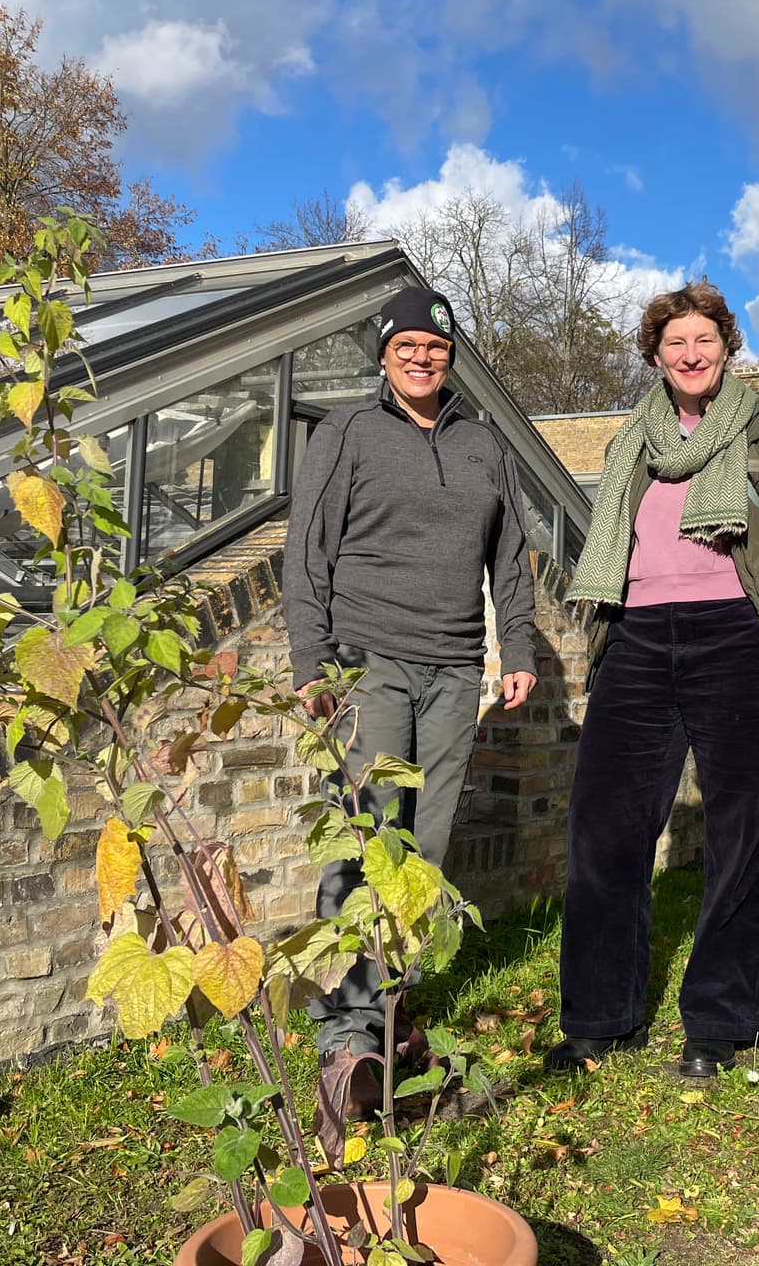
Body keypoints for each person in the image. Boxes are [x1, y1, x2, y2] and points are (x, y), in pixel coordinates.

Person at [283, 283, 539, 1151]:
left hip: (457, 670)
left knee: (425, 854)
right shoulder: (347, 435)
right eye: (406, 347)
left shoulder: (483, 445)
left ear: (451, 355)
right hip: (371, 663)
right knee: (368, 838)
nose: (422, 357)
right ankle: (347, 1042)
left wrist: (522, 652)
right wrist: (312, 666)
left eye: (435, 345)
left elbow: (511, 558)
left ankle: (390, 1010)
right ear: (384, 358)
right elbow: (306, 553)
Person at [545, 282, 759, 1080]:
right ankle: (600, 1016)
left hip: (734, 638)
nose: (691, 354)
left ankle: (720, 1022)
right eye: (675, 343)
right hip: (634, 638)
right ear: (655, 355)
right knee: (605, 830)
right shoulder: (632, 437)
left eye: (704, 340)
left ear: (727, 348)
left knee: (737, 833)